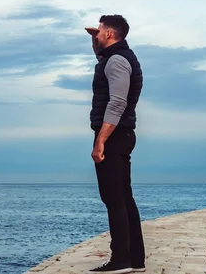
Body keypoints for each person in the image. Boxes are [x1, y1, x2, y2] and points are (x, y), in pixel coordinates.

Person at [85, 14, 146, 274]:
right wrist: (94, 42)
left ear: (110, 34)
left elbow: (117, 103)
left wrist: (101, 141)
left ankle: (121, 259)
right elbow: (102, 60)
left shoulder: (117, 61)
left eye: (99, 31)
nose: (97, 34)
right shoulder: (117, 58)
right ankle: (136, 260)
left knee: (114, 199)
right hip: (121, 134)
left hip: (114, 136)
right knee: (124, 198)